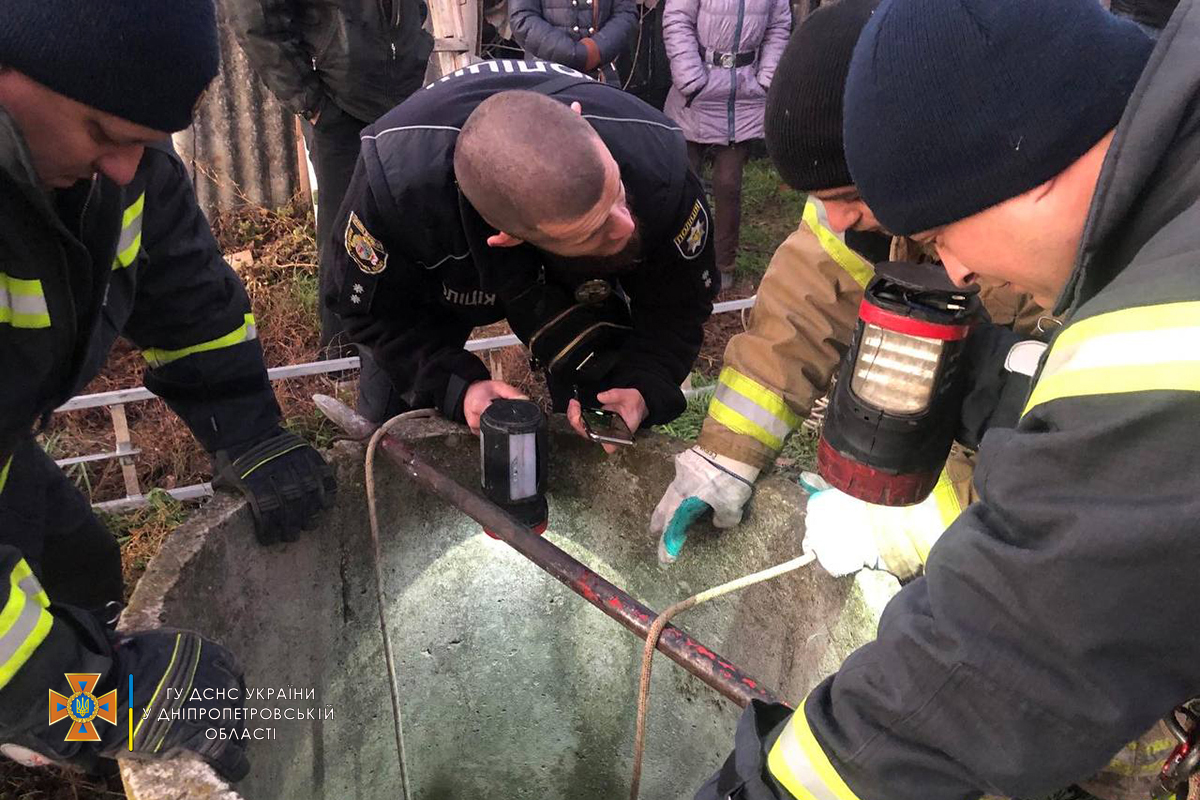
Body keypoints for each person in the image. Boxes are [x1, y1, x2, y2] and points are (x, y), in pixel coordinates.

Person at [695, 0, 1200, 799]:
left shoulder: (1158, 336)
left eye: (938, 239)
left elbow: (1012, 640)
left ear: (1010, 165)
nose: (955, 273)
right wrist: (723, 454)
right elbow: (805, 295)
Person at [0, 0, 334, 779]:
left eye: (148, 142)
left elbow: (187, 297)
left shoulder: (126, 167)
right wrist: (99, 695)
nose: (126, 168)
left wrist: (246, 428)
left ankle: (56, 744)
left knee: (79, 566)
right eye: (104, 134)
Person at [651, 0, 1045, 577]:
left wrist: (909, 529)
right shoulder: (879, 196)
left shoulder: (1068, 247)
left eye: (849, 197)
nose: (836, 221)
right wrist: (726, 456)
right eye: (820, 198)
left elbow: (1094, 478)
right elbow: (803, 309)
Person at [327, 60, 718, 444]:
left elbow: (680, 302)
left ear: (580, 120)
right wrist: (455, 386)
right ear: (507, 237)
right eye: (594, 231)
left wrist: (645, 382)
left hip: (575, 276)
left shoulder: (657, 165)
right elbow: (373, 314)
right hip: (434, 271)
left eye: (616, 192)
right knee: (397, 431)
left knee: (606, 410)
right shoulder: (393, 195)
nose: (626, 225)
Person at [229, 0, 435, 420]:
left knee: (404, 225)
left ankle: (402, 346)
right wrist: (310, 100)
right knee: (347, 232)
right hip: (339, 103)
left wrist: (418, 44)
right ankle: (341, 355)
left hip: (400, 95)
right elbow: (254, 18)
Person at [662, 0, 791, 275]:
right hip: (696, 91)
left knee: (729, 184)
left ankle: (723, 264)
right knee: (684, 180)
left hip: (743, 94)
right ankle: (677, 258)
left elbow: (778, 27)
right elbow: (677, 19)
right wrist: (691, 80)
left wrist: (766, 78)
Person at [509, 0, 638, 81]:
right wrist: (574, 53)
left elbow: (626, 15)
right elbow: (523, 19)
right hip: (545, 76)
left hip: (600, 77)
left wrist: (596, 50)